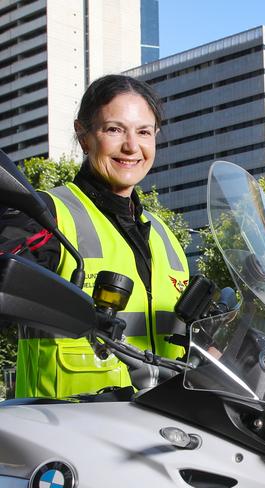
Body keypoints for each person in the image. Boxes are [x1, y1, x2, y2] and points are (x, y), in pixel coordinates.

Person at [0, 75, 189, 398]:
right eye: (114, 129)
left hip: (161, 432)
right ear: (84, 136)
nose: (132, 146)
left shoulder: (165, 234)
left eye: (144, 132)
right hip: (64, 433)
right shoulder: (49, 215)